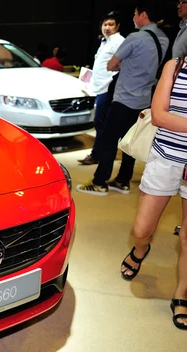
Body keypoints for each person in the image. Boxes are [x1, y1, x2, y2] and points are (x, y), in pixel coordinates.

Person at [119, 56, 187, 329]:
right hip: (167, 157)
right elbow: (159, 115)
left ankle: (181, 294)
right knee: (141, 229)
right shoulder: (177, 65)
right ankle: (140, 250)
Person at [77, 3, 169, 196]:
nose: (133, 18)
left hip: (125, 98)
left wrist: (124, 66)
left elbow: (111, 65)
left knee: (109, 140)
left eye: (135, 14)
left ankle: (100, 182)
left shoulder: (135, 38)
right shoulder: (163, 39)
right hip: (144, 99)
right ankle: (123, 180)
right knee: (130, 141)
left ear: (143, 15)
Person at [78, 12, 125, 166]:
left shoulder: (119, 41)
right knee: (100, 124)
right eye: (105, 24)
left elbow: (122, 64)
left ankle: (98, 155)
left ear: (118, 26)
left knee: (101, 124)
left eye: (111, 24)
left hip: (108, 88)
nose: (107, 27)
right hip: (100, 88)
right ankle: (99, 154)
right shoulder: (106, 41)